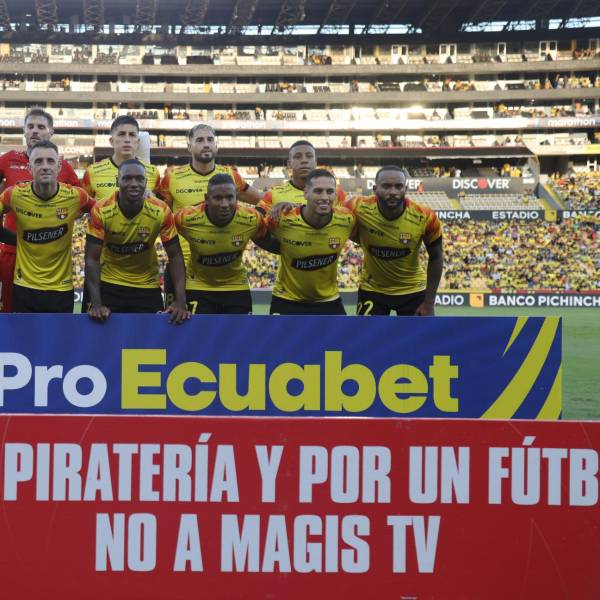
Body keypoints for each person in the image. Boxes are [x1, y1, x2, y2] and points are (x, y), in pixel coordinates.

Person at [159, 124, 263, 303]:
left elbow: (262, 200)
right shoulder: (172, 178)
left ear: (216, 145)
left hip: (222, 269)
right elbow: (161, 217)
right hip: (181, 268)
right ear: (189, 146)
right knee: (176, 319)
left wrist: (284, 203)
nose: (206, 144)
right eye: (200, 140)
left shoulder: (230, 176)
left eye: (210, 140)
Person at [84, 159, 189, 323]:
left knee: (151, 337)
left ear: (146, 182)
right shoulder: (100, 210)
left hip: (146, 286)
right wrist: (96, 303)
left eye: (139, 179)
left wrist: (181, 300)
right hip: (109, 284)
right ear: (117, 181)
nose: (134, 184)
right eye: (127, 178)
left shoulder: (161, 211)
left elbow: (175, 255)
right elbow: (92, 258)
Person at [0, 107, 80, 312]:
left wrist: (58, 218)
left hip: (47, 255)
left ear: (51, 132)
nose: (35, 131)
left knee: (54, 319)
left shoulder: (63, 166)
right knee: (10, 314)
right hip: (12, 252)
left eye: (41, 127)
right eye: (31, 126)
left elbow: (80, 203)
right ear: (24, 131)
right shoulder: (7, 159)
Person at [347, 165, 443, 316]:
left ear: (405, 189)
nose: (393, 192)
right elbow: (332, 218)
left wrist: (429, 303)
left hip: (412, 290)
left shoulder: (425, 216)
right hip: (372, 289)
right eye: (386, 186)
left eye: (398, 186)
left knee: (420, 333)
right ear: (375, 189)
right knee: (366, 332)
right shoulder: (356, 207)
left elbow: (436, 256)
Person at [175, 173, 268, 314]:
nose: (224, 204)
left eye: (229, 197)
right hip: (198, 285)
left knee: (241, 329)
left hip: (236, 286)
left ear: (236, 197)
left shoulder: (252, 219)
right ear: (206, 199)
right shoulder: (185, 218)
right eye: (218, 198)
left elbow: (270, 237)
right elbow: (164, 229)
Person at [265, 169, 355, 315]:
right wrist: (281, 248)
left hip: (328, 301)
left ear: (335, 194)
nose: (325, 197)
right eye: (318, 191)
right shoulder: (282, 219)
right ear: (305, 193)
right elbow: (257, 233)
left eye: (330, 191)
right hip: (286, 300)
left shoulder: (348, 220)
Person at [82, 115, 160, 201]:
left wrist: (152, 199)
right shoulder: (92, 172)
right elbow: (85, 205)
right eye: (121, 134)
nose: (127, 140)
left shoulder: (153, 172)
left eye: (132, 135)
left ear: (138, 142)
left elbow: (160, 206)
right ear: (111, 141)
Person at [258, 140, 345, 214]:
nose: (304, 160)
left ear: (315, 162)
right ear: (289, 164)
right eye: (298, 157)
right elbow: (257, 221)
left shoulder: (337, 193)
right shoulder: (273, 195)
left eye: (309, 156)